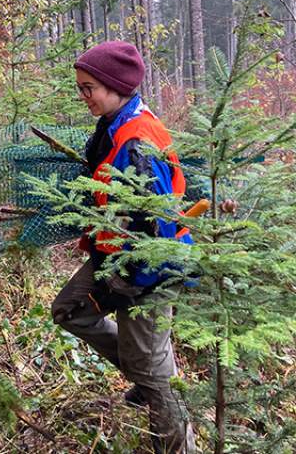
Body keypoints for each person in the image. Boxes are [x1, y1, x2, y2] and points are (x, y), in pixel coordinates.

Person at [50, 41, 195, 453]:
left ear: (115, 86)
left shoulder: (137, 139)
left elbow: (157, 224)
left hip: (147, 269)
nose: (83, 97)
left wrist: (130, 280)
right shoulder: (115, 124)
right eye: (80, 87)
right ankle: (148, 376)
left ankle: (176, 440)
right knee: (69, 312)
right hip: (114, 259)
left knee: (151, 368)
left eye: (88, 87)